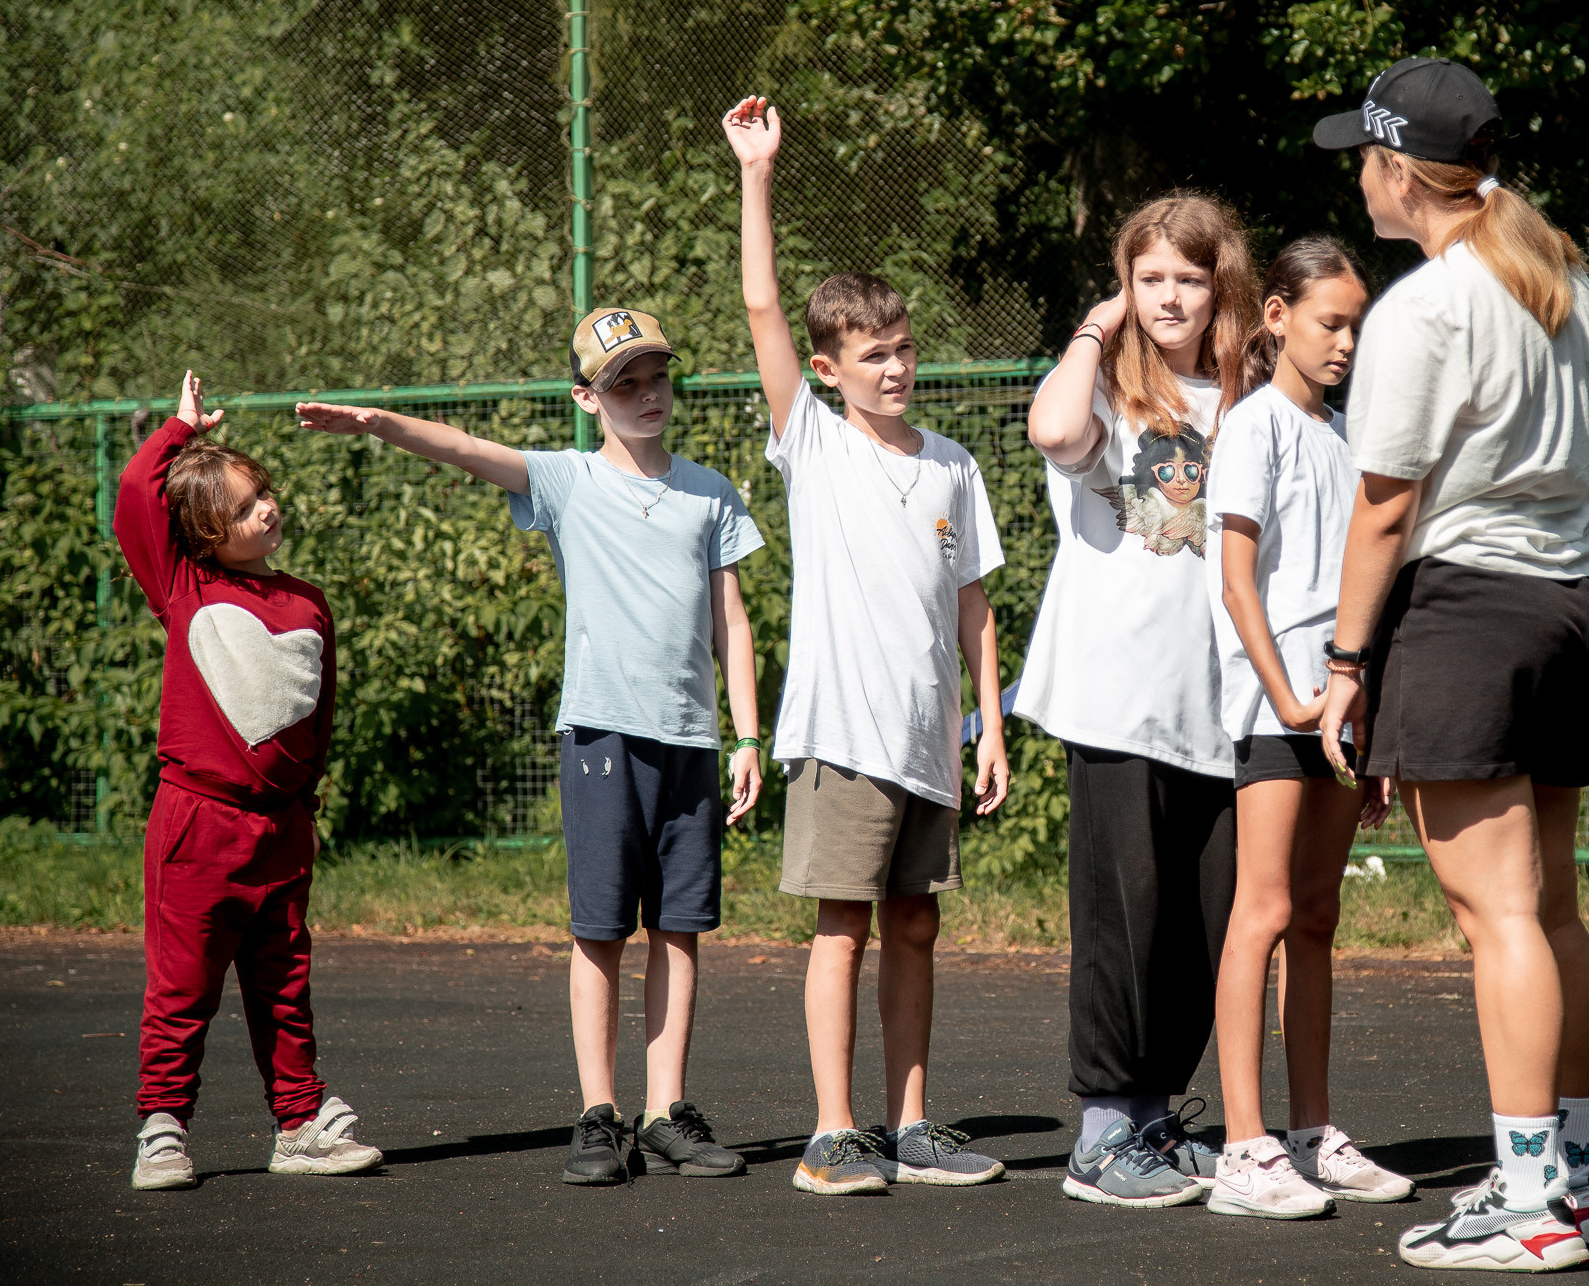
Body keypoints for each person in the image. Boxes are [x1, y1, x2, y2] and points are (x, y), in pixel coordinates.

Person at [296, 309, 764, 1187]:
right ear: (587, 399)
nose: (646, 395)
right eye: (624, 383)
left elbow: (730, 620)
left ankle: (664, 1112)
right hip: (599, 737)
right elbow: (469, 449)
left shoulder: (712, 491)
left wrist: (744, 733)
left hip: (692, 744)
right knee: (599, 931)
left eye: (656, 377)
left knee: (679, 928)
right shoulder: (568, 480)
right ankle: (598, 1115)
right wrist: (378, 423)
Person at [1312, 57, 1589, 1271]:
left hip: (1472, 611)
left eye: (1366, 157)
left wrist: (1347, 660)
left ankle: (1532, 1200)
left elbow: (1385, 510)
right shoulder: (1559, 280)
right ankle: (1581, 1177)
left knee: (1497, 914)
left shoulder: (1427, 305)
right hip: (1568, 604)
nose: (1359, 177)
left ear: (1402, 171)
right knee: (1550, 907)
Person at [726, 95, 1013, 1196]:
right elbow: (761, 304)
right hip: (841, 737)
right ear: (833, 369)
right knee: (842, 927)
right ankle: (833, 1132)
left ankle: (911, 1123)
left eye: (901, 350)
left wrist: (986, 726)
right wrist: (759, 173)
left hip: (929, 741)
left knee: (916, 926)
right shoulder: (812, 442)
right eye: (871, 355)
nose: (893, 369)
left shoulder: (952, 465)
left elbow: (974, 607)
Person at [1018, 192, 1260, 1208]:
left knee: (1207, 922)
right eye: (1149, 276)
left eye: (1188, 279)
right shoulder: (1107, 391)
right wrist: (1094, 325)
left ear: (1221, 288)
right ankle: (1102, 1135)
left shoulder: (1248, 403)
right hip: (1118, 700)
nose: (1169, 295)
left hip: (1222, 707)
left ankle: (1159, 1115)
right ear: (1126, 284)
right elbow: (1052, 427)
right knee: (1124, 920)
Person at [118, 371, 383, 1191]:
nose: (262, 510)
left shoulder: (308, 602)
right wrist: (178, 431)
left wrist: (302, 805)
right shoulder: (183, 587)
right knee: (182, 985)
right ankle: (163, 1129)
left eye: (261, 494)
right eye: (238, 509)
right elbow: (135, 492)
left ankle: (298, 1123)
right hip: (199, 823)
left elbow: (317, 713)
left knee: (285, 984)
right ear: (201, 535)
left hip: (281, 827)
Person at [1204, 236, 1418, 1220]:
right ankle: (1242, 1150)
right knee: (1265, 911)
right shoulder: (1253, 426)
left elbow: (1360, 589)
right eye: (1331, 321)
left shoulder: (1344, 436)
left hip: (1338, 711)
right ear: (1278, 316)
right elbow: (1235, 574)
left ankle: (1310, 1133)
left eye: (1357, 326)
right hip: (1275, 708)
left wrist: (1357, 707)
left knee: (1320, 916)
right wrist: (1286, 694)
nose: (1346, 341)